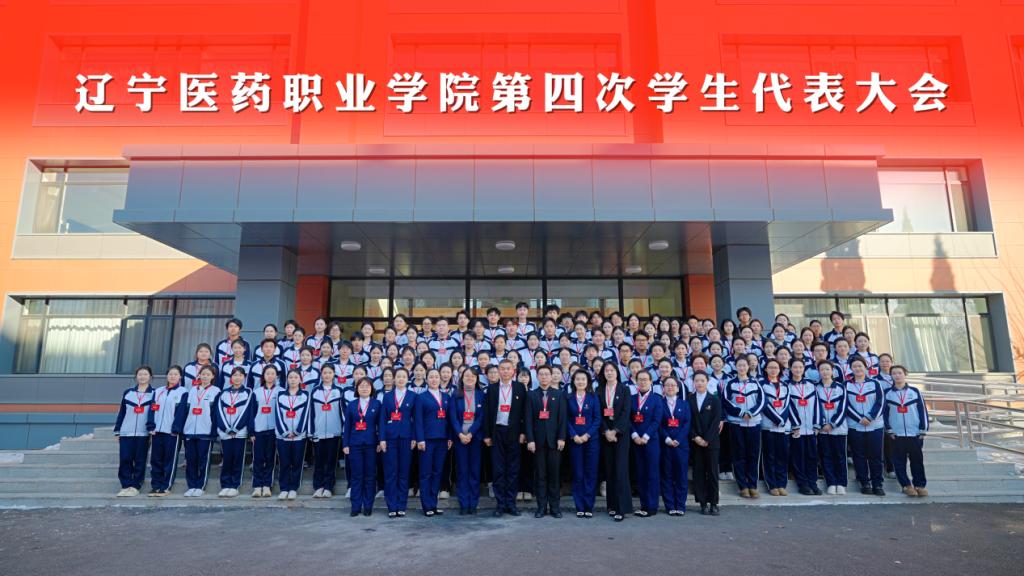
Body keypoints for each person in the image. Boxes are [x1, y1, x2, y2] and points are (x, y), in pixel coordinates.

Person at [483, 359, 529, 517]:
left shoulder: (520, 388)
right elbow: (487, 413)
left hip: (514, 433)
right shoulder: (492, 389)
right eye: (502, 369)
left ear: (513, 371)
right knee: (498, 469)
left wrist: (523, 433)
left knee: (513, 469)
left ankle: (511, 503)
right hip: (497, 432)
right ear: (498, 371)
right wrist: (487, 435)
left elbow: (525, 412)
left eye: (508, 368)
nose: (505, 371)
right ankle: (500, 504)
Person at [172, 364, 220, 497]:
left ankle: (200, 486)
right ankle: (191, 485)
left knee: (203, 461)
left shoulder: (216, 391)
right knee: (191, 460)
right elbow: (184, 411)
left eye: (208, 374)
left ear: (213, 376)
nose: (205, 377)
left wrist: (213, 431)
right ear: (199, 375)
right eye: (203, 374)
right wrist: (180, 428)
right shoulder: (192, 390)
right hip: (189, 431)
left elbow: (215, 414)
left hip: (205, 432)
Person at [525, 365, 566, 518]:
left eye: (546, 374)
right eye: (541, 374)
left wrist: (561, 437)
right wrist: (530, 439)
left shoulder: (559, 394)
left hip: (555, 441)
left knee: (554, 475)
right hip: (538, 442)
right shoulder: (532, 395)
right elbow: (528, 419)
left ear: (551, 376)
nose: (544, 377)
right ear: (537, 377)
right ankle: (541, 507)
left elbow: (562, 418)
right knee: (540, 475)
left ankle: (555, 508)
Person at [884, 365, 929, 497]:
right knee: (899, 461)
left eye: (900, 373)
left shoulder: (915, 391)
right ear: (891, 376)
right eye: (894, 373)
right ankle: (906, 485)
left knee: (917, 461)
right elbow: (884, 414)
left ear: (905, 374)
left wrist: (923, 429)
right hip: (896, 434)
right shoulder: (887, 393)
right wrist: (889, 429)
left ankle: (920, 485)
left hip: (914, 433)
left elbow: (922, 411)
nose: (897, 376)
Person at [723, 356, 765, 498]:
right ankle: (742, 486)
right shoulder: (730, 384)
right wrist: (741, 413)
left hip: (754, 423)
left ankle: (752, 485)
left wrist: (751, 413)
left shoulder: (755, 382)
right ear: (735, 367)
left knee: (753, 455)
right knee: (738, 454)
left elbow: (762, 401)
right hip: (737, 423)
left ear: (748, 367)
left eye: (744, 365)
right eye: (739, 365)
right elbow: (726, 401)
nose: (742, 368)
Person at [846, 356, 886, 496]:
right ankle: (864, 483)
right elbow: (846, 405)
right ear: (851, 369)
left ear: (865, 367)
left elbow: (881, 403)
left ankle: (877, 483)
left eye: (860, 366)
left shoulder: (875, 383)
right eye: (854, 366)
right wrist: (859, 418)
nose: (858, 369)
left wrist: (870, 417)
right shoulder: (846, 385)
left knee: (876, 456)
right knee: (859, 456)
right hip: (855, 426)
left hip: (875, 426)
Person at [415, 369, 453, 516]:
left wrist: (449, 437)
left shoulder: (446, 397)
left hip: (442, 440)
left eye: (436, 377)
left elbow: (449, 419)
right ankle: (426, 506)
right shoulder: (421, 397)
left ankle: (433, 504)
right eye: (431, 377)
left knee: (437, 472)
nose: (434, 379)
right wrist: (420, 439)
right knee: (426, 473)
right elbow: (418, 420)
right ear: (427, 379)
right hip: (427, 440)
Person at [379, 367, 416, 517]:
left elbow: (416, 420)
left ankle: (401, 505)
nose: (401, 379)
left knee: (403, 472)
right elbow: (382, 419)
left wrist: (414, 437)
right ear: (394, 379)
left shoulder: (413, 396)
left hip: (406, 438)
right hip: (390, 438)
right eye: (398, 376)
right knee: (390, 472)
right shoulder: (387, 396)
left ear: (407, 379)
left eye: (403, 377)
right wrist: (382, 438)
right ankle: (391, 506)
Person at [114, 365, 155, 497]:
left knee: (140, 460)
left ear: (150, 377)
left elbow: (155, 413)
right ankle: (125, 485)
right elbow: (122, 412)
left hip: (143, 434)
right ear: (136, 376)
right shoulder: (128, 393)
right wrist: (117, 430)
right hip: (126, 432)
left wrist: (151, 430)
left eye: (145, 374)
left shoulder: (154, 393)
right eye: (140, 374)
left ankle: (135, 485)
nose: (142, 377)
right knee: (125, 459)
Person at [598, 361, 632, 522]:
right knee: (609, 470)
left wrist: (615, 430)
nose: (609, 373)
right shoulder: (599, 390)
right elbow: (598, 413)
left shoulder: (624, 389)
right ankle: (611, 505)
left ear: (617, 372)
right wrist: (606, 431)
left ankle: (622, 508)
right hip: (605, 434)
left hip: (620, 435)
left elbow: (626, 412)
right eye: (606, 370)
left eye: (612, 370)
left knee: (620, 470)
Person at [213, 367, 255, 498]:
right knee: (227, 459)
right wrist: (226, 428)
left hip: (239, 432)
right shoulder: (223, 393)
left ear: (244, 377)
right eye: (235, 375)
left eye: (240, 375)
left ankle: (234, 485)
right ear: (231, 377)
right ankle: (225, 485)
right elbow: (218, 412)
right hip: (226, 432)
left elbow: (247, 412)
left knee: (238, 459)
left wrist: (236, 428)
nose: (237, 378)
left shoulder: (248, 392)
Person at [450, 367, 486, 515]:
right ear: (462, 379)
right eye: (466, 376)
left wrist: (471, 433)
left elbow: (481, 417)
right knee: (462, 471)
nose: (470, 378)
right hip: (460, 439)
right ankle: (464, 503)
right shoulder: (456, 395)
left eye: (473, 376)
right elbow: (453, 417)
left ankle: (473, 503)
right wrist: (460, 434)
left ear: (477, 379)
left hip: (475, 438)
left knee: (474, 471)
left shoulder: (481, 395)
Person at [344, 377, 382, 516]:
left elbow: (381, 425)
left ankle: (368, 506)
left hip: (371, 444)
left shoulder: (377, 404)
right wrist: (345, 443)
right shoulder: (352, 405)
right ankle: (355, 506)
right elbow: (347, 426)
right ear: (357, 389)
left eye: (367, 386)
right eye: (361, 386)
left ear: (372, 389)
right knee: (356, 476)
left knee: (370, 476)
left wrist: (380, 441)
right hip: (355, 444)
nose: (364, 388)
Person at [147, 365, 187, 496]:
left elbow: (181, 413)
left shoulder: (183, 392)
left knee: (170, 460)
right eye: (170, 374)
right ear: (167, 376)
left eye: (175, 374)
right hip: (157, 431)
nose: (172, 376)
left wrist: (176, 429)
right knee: (156, 460)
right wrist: (151, 426)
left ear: (180, 376)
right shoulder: (158, 391)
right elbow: (152, 409)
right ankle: (155, 486)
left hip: (172, 433)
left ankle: (166, 486)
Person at [566, 370, 600, 518]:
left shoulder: (593, 397)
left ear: (588, 382)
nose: (580, 382)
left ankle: (588, 506)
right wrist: (574, 435)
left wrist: (587, 435)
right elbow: (566, 419)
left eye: (583, 379)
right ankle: (579, 506)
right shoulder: (568, 398)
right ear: (573, 381)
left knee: (590, 473)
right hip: (575, 441)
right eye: (577, 379)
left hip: (591, 441)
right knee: (578, 473)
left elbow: (597, 419)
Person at [786, 358, 821, 495]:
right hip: (797, 429)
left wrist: (816, 424)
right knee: (798, 457)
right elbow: (788, 407)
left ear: (804, 368)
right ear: (790, 368)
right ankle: (802, 484)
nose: (798, 370)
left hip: (811, 428)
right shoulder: (787, 386)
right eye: (795, 367)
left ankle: (813, 483)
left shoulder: (811, 385)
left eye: (800, 367)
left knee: (812, 456)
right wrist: (795, 425)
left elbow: (817, 405)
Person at [630, 370, 663, 517]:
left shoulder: (657, 399)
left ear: (651, 382)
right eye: (640, 379)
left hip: (651, 441)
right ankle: (644, 505)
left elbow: (657, 420)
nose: (643, 382)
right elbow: (628, 419)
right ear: (636, 382)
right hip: (636, 441)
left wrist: (646, 436)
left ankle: (652, 506)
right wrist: (635, 435)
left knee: (652, 474)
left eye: (645, 379)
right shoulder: (631, 399)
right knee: (640, 474)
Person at [309, 364, 344, 499]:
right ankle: (318, 487)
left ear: (334, 374)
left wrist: (342, 430)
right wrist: (311, 431)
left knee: (331, 461)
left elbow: (342, 412)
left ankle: (328, 487)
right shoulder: (315, 391)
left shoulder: (339, 391)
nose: (327, 375)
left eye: (329, 372)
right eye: (324, 373)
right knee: (318, 461)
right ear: (321, 374)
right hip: (318, 432)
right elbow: (310, 413)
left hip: (334, 432)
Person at [275, 369, 310, 500]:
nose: (293, 380)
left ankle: (294, 488)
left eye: (296, 377)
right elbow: (278, 414)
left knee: (297, 462)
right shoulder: (280, 395)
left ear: (300, 379)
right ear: (287, 379)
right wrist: (284, 431)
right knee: (284, 462)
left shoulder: (305, 395)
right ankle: (284, 488)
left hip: (299, 436)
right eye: (291, 377)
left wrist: (297, 431)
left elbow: (306, 414)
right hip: (283, 436)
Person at [689, 371, 721, 515]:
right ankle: (702, 503)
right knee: (699, 473)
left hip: (711, 442)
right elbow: (688, 421)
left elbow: (716, 421)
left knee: (712, 473)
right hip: (696, 442)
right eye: (697, 380)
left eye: (702, 380)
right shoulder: (689, 399)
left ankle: (714, 503)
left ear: (707, 382)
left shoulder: (714, 400)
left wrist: (706, 439)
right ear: (693, 383)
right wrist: (695, 437)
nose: (699, 383)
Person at [659, 377, 690, 516]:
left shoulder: (684, 404)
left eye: (673, 385)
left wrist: (678, 439)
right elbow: (658, 423)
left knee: (681, 476)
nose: (670, 387)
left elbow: (687, 424)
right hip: (665, 444)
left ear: (678, 388)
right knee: (667, 476)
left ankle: (681, 505)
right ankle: (670, 505)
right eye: (667, 385)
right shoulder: (660, 403)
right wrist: (667, 438)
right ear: (663, 388)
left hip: (681, 445)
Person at [816, 361, 848, 495]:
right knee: (826, 456)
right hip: (822, 429)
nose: (825, 372)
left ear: (832, 371)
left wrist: (833, 424)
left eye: (827, 369)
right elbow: (816, 407)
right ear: (819, 372)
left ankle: (841, 483)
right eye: (822, 369)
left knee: (840, 456)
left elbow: (843, 407)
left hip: (839, 428)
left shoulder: (841, 387)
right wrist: (823, 423)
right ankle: (831, 482)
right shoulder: (815, 388)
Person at [759, 359, 791, 496]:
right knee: (769, 456)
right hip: (768, 425)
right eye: (770, 367)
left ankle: (781, 484)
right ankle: (771, 484)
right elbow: (764, 404)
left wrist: (781, 420)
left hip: (783, 426)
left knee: (782, 456)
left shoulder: (785, 385)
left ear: (780, 370)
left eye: (776, 367)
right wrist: (776, 419)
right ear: (766, 369)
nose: (773, 370)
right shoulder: (761, 384)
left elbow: (787, 404)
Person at [251, 364, 280, 497]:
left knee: (270, 458)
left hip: (274, 430)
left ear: (276, 376)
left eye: (273, 373)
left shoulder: (281, 391)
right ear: (263, 376)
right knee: (258, 458)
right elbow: (251, 413)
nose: (270, 376)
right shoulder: (256, 392)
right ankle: (257, 485)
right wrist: (252, 431)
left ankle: (267, 485)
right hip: (259, 429)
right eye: (267, 373)